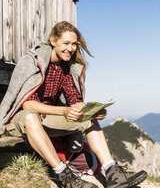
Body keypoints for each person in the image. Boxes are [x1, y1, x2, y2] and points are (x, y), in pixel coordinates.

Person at [0, 21, 147, 188]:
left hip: (48, 118)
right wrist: (64, 111)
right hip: (20, 120)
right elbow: (27, 104)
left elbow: (74, 100)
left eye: (74, 44)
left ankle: (112, 173)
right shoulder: (31, 61)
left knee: (90, 120)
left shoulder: (66, 68)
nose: (71, 48)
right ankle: (64, 176)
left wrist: (92, 111)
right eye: (66, 43)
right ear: (53, 41)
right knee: (31, 116)